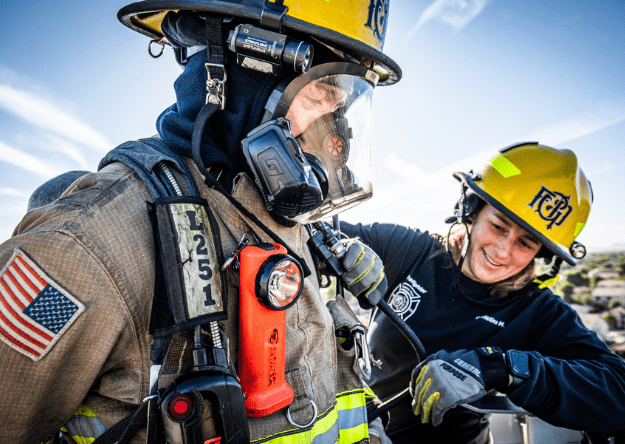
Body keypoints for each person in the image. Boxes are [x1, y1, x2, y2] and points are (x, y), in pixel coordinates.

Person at [0, 1, 396, 443]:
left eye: (343, 101)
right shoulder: (85, 248)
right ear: (238, 71)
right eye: (322, 92)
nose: (333, 130)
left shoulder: (288, 227)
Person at [340, 142, 625, 444]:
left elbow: (623, 398)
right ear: (471, 210)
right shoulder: (407, 250)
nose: (502, 251)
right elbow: (308, 233)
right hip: (368, 432)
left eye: (525, 243)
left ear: (542, 255)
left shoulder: (534, 310)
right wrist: (340, 247)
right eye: (499, 226)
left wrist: (499, 367)